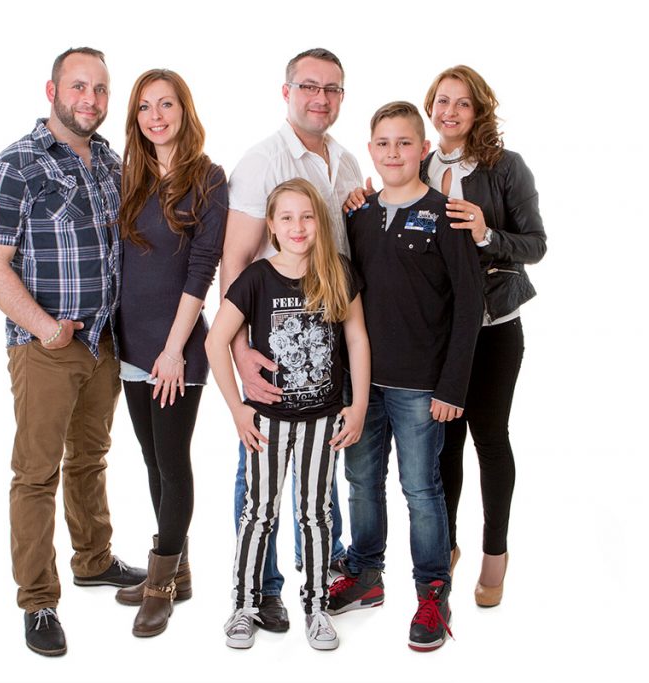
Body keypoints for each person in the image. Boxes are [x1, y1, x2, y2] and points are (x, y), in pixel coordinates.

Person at [0, 47, 145, 657]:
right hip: (47, 347)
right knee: (36, 473)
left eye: (100, 89)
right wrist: (46, 329)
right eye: (78, 87)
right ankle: (39, 600)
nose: (90, 100)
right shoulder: (15, 165)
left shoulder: (110, 162)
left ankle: (94, 560)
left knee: (90, 459)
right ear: (52, 91)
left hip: (105, 341)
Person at [221, 47, 365, 632]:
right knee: (259, 482)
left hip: (328, 352)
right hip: (273, 357)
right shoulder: (262, 161)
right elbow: (234, 262)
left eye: (332, 89)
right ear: (287, 92)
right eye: (309, 86)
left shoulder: (347, 163)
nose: (320, 98)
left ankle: (318, 583)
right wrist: (240, 354)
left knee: (318, 480)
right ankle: (262, 591)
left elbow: (346, 256)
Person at [330, 102, 482, 652]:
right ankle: (366, 574)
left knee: (421, 489)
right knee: (361, 482)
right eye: (383, 143)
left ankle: (433, 592)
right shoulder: (359, 215)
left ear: (423, 149)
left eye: (404, 143)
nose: (393, 153)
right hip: (363, 384)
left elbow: (469, 306)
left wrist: (452, 386)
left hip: (422, 387)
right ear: (370, 149)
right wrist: (344, 383)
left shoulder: (446, 215)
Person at [206, 178, 371, 651]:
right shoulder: (256, 278)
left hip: (323, 419)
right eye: (287, 218)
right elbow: (216, 342)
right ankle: (244, 605)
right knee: (259, 512)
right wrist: (237, 409)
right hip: (267, 421)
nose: (298, 226)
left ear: (319, 222)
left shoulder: (336, 271)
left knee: (316, 514)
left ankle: (317, 608)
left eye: (307, 216)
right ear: (272, 227)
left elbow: (357, 338)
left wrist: (358, 404)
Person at [421, 65, 546, 607]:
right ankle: (445, 546)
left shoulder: (505, 167)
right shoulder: (418, 165)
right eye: (442, 101)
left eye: (462, 103)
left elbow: (536, 244)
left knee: (489, 438)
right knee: (443, 442)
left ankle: (495, 552)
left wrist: (486, 233)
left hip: (494, 326)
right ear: (430, 106)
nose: (450, 111)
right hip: (440, 329)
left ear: (478, 112)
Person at [112, 69, 228, 637]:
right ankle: (175, 570)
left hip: (175, 348)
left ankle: (159, 586)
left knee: (173, 459)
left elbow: (203, 268)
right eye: (144, 107)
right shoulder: (129, 176)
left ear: (185, 110)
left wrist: (176, 349)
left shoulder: (208, 177)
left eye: (165, 104)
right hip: (130, 344)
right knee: (152, 459)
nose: (155, 116)